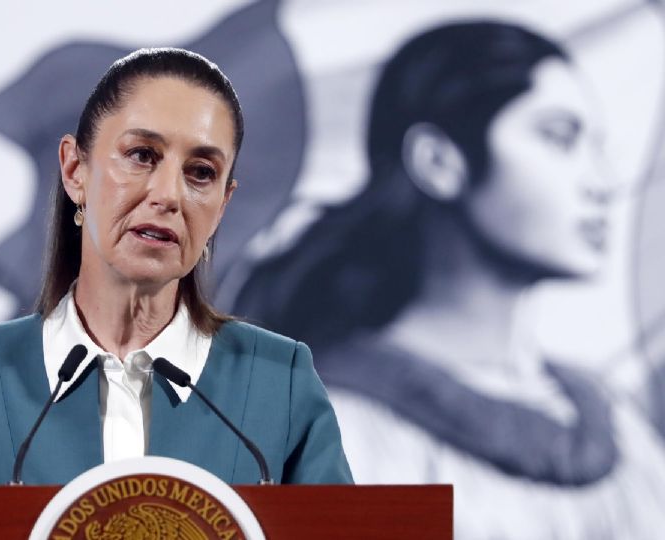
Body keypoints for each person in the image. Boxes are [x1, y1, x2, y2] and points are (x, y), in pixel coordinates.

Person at [0, 48, 353, 539]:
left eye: (201, 172)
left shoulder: (279, 380)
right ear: (74, 170)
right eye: (142, 155)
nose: (168, 194)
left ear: (223, 205)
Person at [232, 21, 665, 539]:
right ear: (438, 161)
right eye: (558, 137)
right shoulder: (333, 432)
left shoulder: (616, 420)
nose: (602, 182)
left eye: (597, 146)